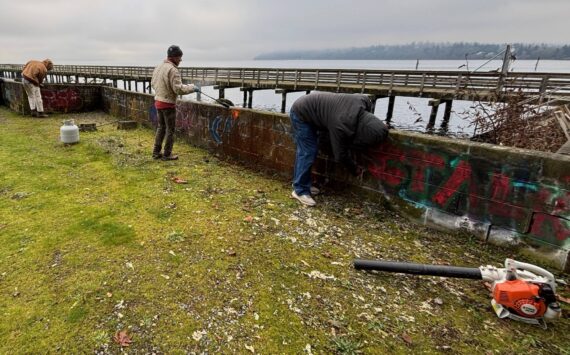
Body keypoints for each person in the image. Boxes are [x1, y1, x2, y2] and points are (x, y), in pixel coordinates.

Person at [289, 92, 389, 206]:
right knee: (308, 152)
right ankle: (300, 190)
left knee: (306, 151)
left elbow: (368, 106)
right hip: (301, 113)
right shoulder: (340, 125)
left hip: (313, 108)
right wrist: (354, 169)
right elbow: (340, 155)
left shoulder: (362, 101)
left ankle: (301, 183)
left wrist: (377, 125)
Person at [151, 45, 199, 161]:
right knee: (170, 130)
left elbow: (153, 83)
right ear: (174, 57)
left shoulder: (159, 66)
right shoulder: (173, 70)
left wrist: (161, 94)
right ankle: (167, 154)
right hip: (168, 104)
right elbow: (178, 89)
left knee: (161, 128)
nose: (181, 60)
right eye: (179, 58)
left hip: (158, 101)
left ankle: (156, 153)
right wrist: (192, 87)